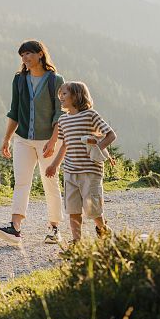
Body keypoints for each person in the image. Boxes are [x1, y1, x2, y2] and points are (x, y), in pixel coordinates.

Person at [0, 40, 65, 247]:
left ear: (40, 54)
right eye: (22, 55)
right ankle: (15, 227)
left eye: (29, 54)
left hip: (48, 140)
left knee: (49, 181)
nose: (25, 58)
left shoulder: (55, 80)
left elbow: (60, 113)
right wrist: (7, 138)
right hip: (23, 139)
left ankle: (54, 228)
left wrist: (53, 140)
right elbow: (14, 111)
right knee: (21, 182)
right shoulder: (19, 80)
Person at [45, 81, 116, 242]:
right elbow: (64, 145)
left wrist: (98, 147)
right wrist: (54, 165)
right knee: (73, 210)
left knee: (93, 210)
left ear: (77, 95)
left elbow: (111, 135)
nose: (60, 97)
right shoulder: (63, 120)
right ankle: (77, 243)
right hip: (70, 172)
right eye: (60, 94)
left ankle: (102, 228)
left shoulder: (90, 115)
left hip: (90, 171)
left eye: (64, 94)